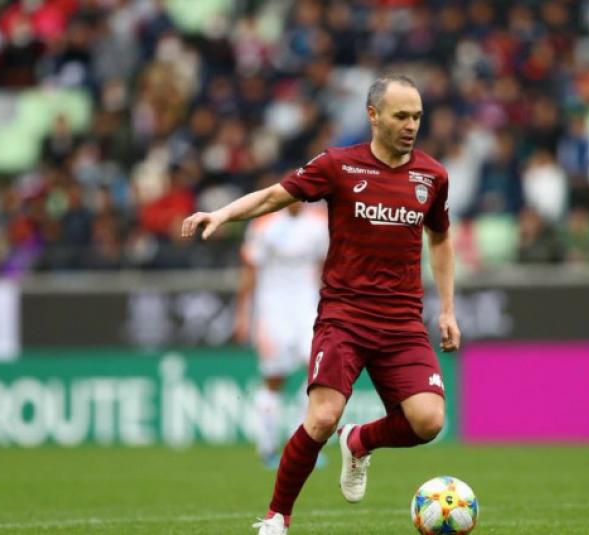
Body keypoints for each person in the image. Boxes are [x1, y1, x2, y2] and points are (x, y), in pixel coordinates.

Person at [181, 74, 461, 535]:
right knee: (322, 416)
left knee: (428, 421)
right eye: (401, 116)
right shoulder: (339, 165)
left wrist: (447, 310)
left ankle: (359, 441)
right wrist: (223, 213)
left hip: (402, 322)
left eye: (417, 116)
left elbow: (441, 238)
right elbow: (275, 195)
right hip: (344, 318)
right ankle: (276, 518)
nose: (411, 125)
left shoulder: (432, 176)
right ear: (373, 116)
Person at [234, 201, 328, 468]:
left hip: (308, 308)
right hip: (272, 310)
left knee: (319, 374)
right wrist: (242, 313)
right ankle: (267, 448)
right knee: (274, 378)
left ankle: (301, 445)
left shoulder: (320, 222)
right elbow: (250, 270)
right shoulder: (264, 224)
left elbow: (325, 267)